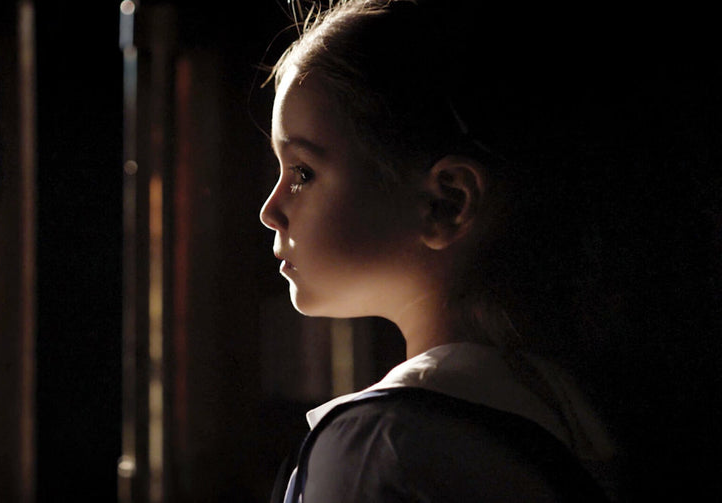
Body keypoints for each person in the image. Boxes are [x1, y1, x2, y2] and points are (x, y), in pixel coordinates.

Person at [258, 0, 634, 500]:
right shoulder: (573, 415)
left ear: (446, 203)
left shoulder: (378, 446)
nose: (270, 210)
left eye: (303, 172)